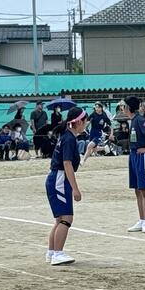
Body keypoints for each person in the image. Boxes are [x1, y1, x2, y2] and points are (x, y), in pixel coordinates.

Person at [45, 107, 88, 266]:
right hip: (60, 179)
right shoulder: (69, 138)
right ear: (78, 122)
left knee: (59, 219)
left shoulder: (65, 135)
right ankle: (58, 253)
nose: (85, 124)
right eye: (84, 121)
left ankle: (51, 252)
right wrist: (75, 188)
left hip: (55, 178)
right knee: (66, 218)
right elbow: (67, 163)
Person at [125, 96, 145, 233]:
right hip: (133, 155)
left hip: (142, 156)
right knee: (137, 189)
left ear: (128, 107)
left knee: (143, 189)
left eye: (124, 106)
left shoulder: (139, 119)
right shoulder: (133, 120)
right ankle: (141, 220)